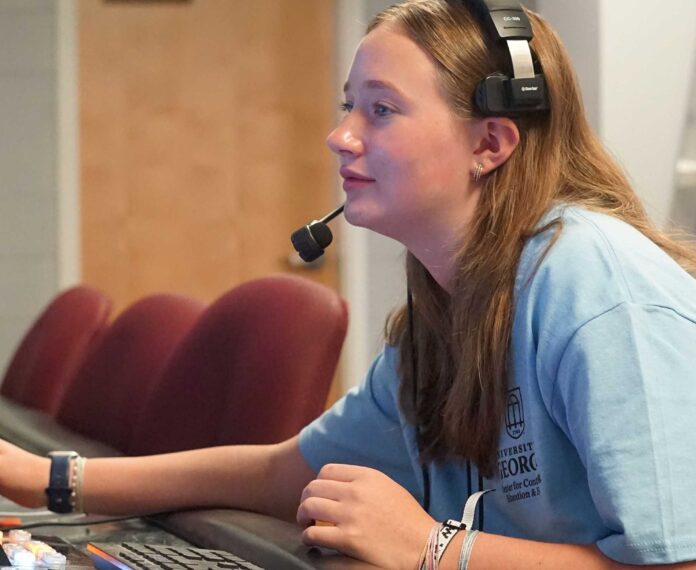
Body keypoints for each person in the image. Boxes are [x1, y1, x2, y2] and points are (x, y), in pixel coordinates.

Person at [1, 1, 696, 568]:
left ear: (490, 144)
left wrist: (432, 548)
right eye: (349, 105)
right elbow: (283, 473)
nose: (340, 135)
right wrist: (52, 480)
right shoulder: (449, 309)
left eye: (381, 109)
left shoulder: (595, 285)